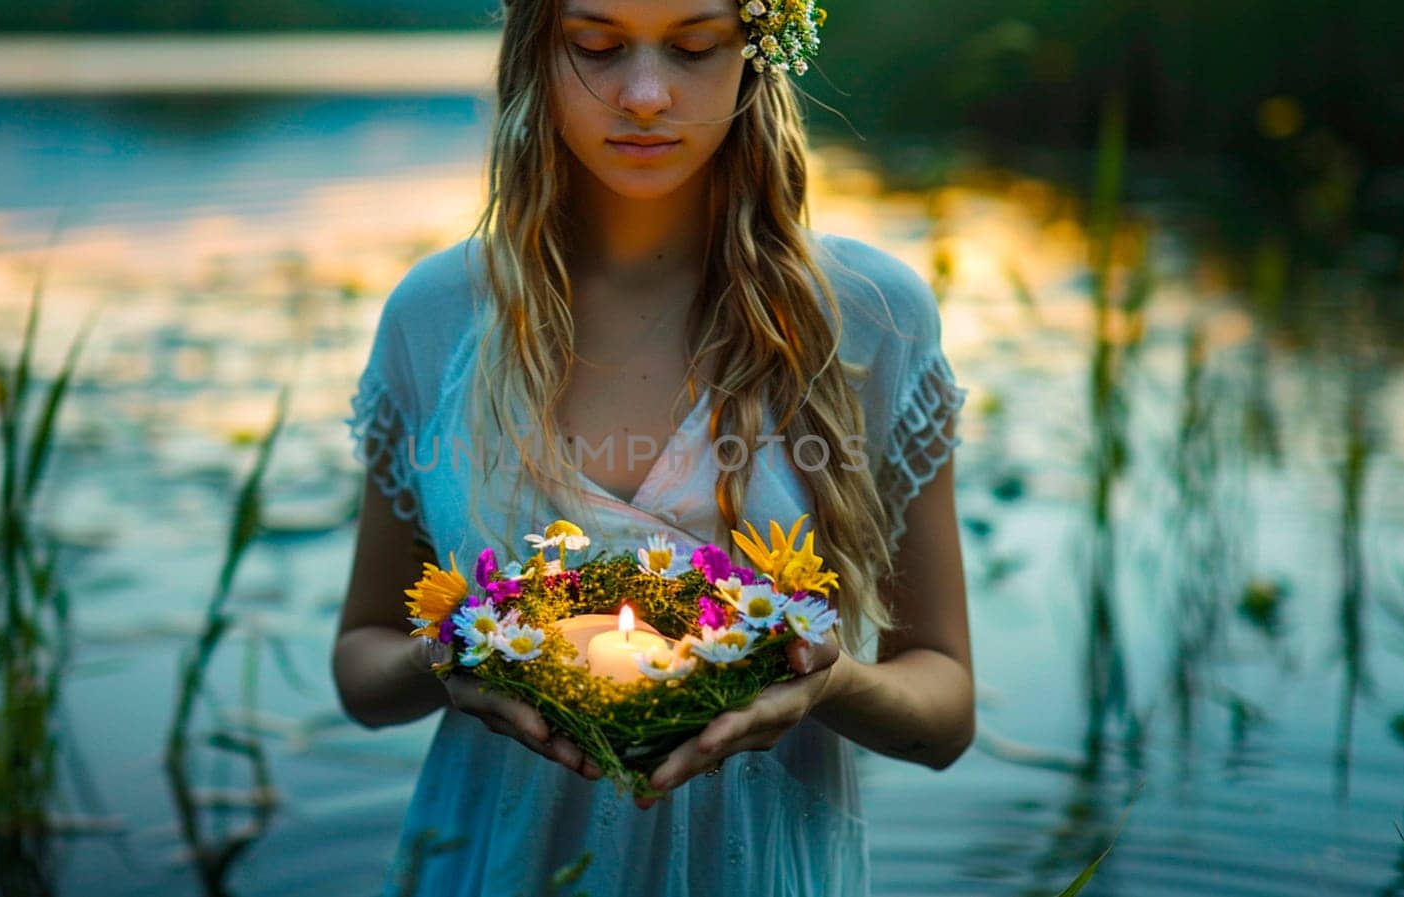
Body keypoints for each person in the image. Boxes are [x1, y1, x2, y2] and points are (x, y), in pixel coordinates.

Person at [332, 1, 974, 893]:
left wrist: (829, 686)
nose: (643, 96)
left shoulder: (868, 316)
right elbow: (364, 667)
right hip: (493, 861)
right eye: (595, 47)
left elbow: (944, 711)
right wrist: (446, 656)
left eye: (695, 47)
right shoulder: (438, 315)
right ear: (537, 56)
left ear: (756, 54)